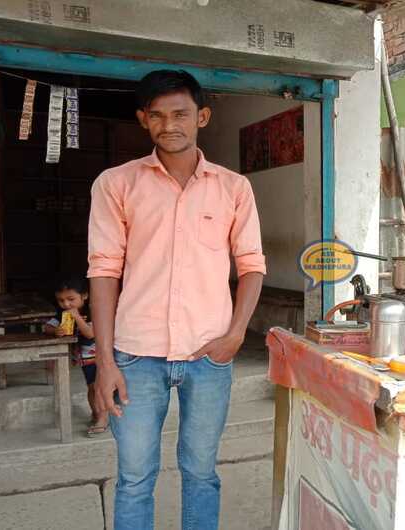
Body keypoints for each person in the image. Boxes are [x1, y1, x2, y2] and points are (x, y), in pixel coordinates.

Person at [88, 70, 265, 530]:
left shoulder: (233, 188)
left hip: (210, 355)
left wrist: (236, 335)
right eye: (158, 115)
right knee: (133, 478)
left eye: (181, 114)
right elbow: (104, 270)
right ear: (143, 120)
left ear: (201, 117)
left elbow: (251, 266)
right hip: (135, 356)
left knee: (201, 474)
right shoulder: (116, 184)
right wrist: (104, 361)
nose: (170, 125)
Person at [43, 275, 108, 436]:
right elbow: (46, 327)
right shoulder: (62, 314)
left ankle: (102, 418)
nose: (66, 304)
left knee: (99, 387)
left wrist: (77, 317)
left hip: (102, 356)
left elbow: (90, 333)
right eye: (61, 301)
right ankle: (95, 413)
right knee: (92, 388)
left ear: (84, 296)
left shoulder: (93, 311)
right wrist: (55, 330)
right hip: (85, 359)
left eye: (71, 299)